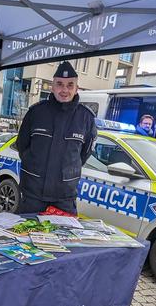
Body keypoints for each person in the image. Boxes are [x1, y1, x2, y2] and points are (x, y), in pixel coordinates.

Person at [16, 61, 96, 215]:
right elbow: (22, 146)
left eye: (70, 85)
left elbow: (84, 154)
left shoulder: (86, 118)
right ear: (52, 87)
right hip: (33, 196)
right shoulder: (36, 113)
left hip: (64, 199)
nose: (64, 90)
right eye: (59, 84)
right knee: (27, 236)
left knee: (65, 239)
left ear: (76, 88)